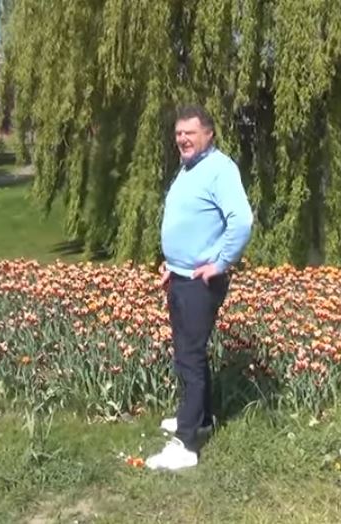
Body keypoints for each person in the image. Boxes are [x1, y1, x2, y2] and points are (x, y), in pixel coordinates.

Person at [145, 104, 254, 471]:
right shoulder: (189, 168)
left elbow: (241, 221)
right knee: (187, 353)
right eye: (178, 133)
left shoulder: (220, 169)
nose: (182, 139)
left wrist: (219, 263)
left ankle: (186, 444)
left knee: (190, 357)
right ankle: (201, 418)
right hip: (180, 276)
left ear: (208, 133)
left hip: (200, 281)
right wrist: (172, 264)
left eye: (189, 133)